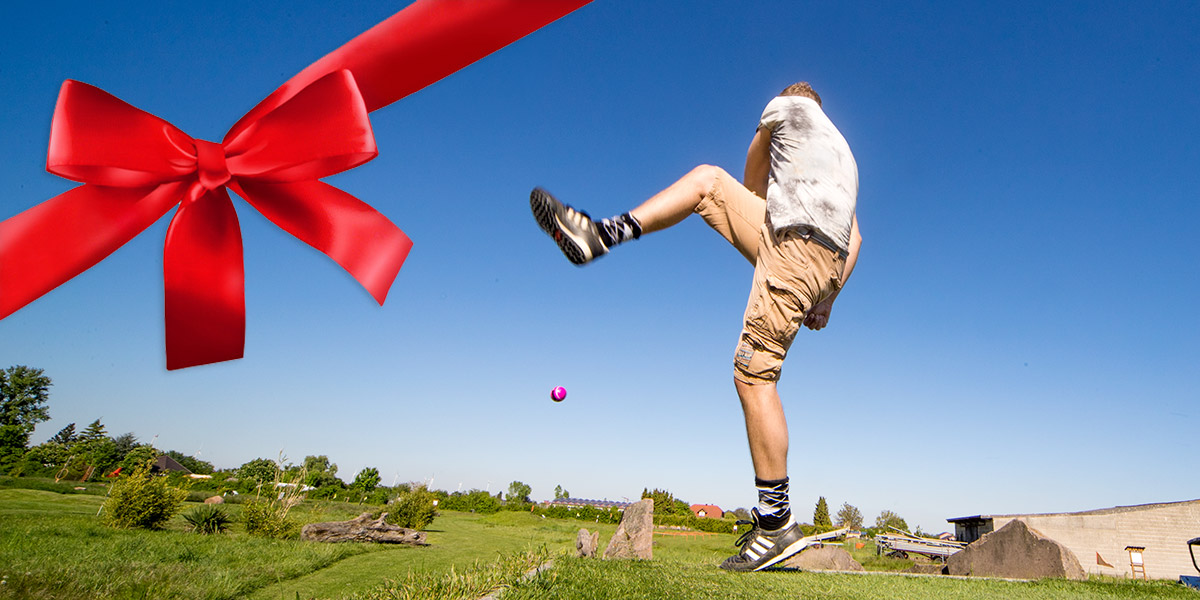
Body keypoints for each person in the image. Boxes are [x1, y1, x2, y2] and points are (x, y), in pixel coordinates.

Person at [530, 81, 862, 571]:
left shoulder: (784, 108)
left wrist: (759, 197)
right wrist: (828, 299)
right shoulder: (843, 153)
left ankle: (776, 527)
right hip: (824, 259)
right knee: (707, 182)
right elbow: (856, 236)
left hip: (791, 247)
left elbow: (751, 178)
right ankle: (598, 234)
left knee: (754, 374)